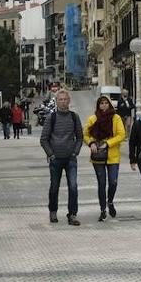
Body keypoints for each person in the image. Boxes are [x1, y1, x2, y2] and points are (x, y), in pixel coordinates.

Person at [39, 89, 84, 225]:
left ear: (69, 101)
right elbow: (43, 139)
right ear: (56, 101)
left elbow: (80, 138)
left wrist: (75, 152)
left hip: (70, 158)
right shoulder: (51, 118)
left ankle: (72, 214)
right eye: (60, 99)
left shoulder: (74, 117)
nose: (63, 102)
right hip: (55, 159)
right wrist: (51, 154)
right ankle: (53, 211)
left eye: (65, 99)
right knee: (54, 186)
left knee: (73, 186)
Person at [83, 95, 126, 221]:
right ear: (98, 105)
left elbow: (121, 134)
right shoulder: (93, 118)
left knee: (113, 182)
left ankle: (110, 201)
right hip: (98, 156)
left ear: (110, 104)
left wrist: (108, 143)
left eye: (106, 103)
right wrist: (91, 143)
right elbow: (85, 134)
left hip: (113, 155)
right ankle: (102, 209)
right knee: (102, 183)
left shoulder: (116, 118)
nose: (104, 105)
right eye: (101, 103)